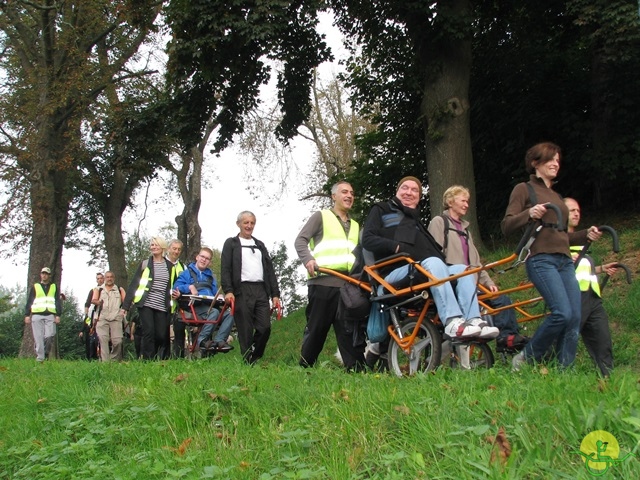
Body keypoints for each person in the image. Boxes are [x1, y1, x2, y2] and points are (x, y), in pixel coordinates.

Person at [502, 142, 601, 370]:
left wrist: (587, 234)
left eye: (558, 159)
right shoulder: (524, 189)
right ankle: (527, 357)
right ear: (536, 163)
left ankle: (565, 370)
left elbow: (562, 235)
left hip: (565, 261)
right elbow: (506, 225)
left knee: (574, 317)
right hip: (541, 259)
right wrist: (529, 213)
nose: (556, 163)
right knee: (562, 313)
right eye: (550, 159)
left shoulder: (556, 195)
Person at [362, 176, 499, 340]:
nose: (409, 192)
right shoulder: (381, 209)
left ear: (419, 197)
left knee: (463, 270)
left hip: (421, 269)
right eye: (404, 188)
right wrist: (396, 246)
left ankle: (473, 321)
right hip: (392, 274)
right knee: (434, 263)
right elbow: (367, 239)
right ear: (397, 191)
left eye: (415, 190)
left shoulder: (417, 223)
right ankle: (452, 321)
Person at [428, 186, 526, 351]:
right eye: (463, 200)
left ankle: (508, 338)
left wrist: (488, 282)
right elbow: (432, 254)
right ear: (450, 201)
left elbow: (475, 262)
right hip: (451, 280)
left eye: (468, 201)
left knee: (502, 299)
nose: (467, 204)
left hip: (471, 280)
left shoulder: (466, 230)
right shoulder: (439, 222)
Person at [295, 180, 366, 371]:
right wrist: (308, 260)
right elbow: (300, 241)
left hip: (348, 285)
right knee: (317, 328)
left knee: (348, 329)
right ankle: (305, 367)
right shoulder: (321, 216)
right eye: (344, 192)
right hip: (323, 281)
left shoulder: (356, 226)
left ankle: (356, 369)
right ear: (334, 196)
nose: (349, 195)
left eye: (352, 192)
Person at [565, 197, 617, 377]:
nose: (577, 213)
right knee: (566, 337)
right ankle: (555, 372)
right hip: (574, 295)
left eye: (578, 210)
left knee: (602, 339)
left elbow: (581, 265)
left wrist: (602, 269)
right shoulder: (557, 240)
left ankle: (608, 380)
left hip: (592, 296)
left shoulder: (580, 240)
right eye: (572, 210)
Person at [221, 211, 281, 364]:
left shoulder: (259, 245)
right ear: (238, 224)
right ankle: (248, 361)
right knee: (245, 329)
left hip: (261, 290)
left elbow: (269, 270)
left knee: (265, 327)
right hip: (241, 290)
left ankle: (255, 354)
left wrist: (275, 294)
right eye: (246, 223)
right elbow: (226, 268)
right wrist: (228, 291)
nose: (249, 226)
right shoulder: (231, 243)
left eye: (252, 223)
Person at [121, 237, 178, 360]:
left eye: (156, 245)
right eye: (152, 245)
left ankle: (161, 358)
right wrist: (125, 306)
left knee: (162, 335)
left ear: (162, 247)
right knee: (149, 333)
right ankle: (148, 360)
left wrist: (178, 294)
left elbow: (176, 284)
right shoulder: (145, 264)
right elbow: (134, 285)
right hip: (146, 303)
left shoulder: (170, 266)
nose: (153, 247)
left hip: (163, 305)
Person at [173, 247, 234, 356]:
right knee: (214, 312)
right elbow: (176, 287)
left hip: (209, 305)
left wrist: (219, 296)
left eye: (207, 258)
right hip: (193, 307)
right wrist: (189, 287)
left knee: (230, 313)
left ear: (209, 262)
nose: (204, 260)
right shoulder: (186, 273)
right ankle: (202, 340)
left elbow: (215, 292)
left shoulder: (211, 277)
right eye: (202, 257)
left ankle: (219, 341)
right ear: (197, 257)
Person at [24, 267, 62, 362]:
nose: (44, 275)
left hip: (50, 314)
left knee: (50, 335)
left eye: (46, 274)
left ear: (49, 276)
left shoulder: (54, 287)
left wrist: (58, 315)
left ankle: (46, 352)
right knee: (38, 337)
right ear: (40, 275)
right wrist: (27, 314)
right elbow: (30, 300)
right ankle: (40, 358)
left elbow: (57, 301)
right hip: (37, 314)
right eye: (43, 273)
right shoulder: (36, 286)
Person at [92, 271, 126, 361]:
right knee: (103, 340)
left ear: (114, 278)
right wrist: (98, 302)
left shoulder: (119, 289)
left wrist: (124, 311)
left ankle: (114, 360)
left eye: (111, 277)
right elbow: (93, 300)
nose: (109, 279)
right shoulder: (98, 289)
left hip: (116, 317)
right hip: (102, 317)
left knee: (118, 341)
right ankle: (105, 363)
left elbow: (126, 301)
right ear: (105, 279)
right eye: (107, 277)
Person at [165, 239, 186, 358]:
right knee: (162, 335)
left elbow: (187, 285)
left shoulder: (183, 267)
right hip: (162, 305)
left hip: (178, 306)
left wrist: (180, 294)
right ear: (168, 249)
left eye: (179, 249)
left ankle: (179, 359)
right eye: (174, 248)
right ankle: (162, 358)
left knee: (179, 335)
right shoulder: (161, 263)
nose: (176, 251)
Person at [80, 272, 103, 360]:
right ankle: (91, 357)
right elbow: (87, 303)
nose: (99, 280)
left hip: (104, 315)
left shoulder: (106, 289)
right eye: (98, 278)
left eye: (101, 278)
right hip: (93, 315)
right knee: (91, 337)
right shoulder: (93, 290)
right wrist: (87, 316)